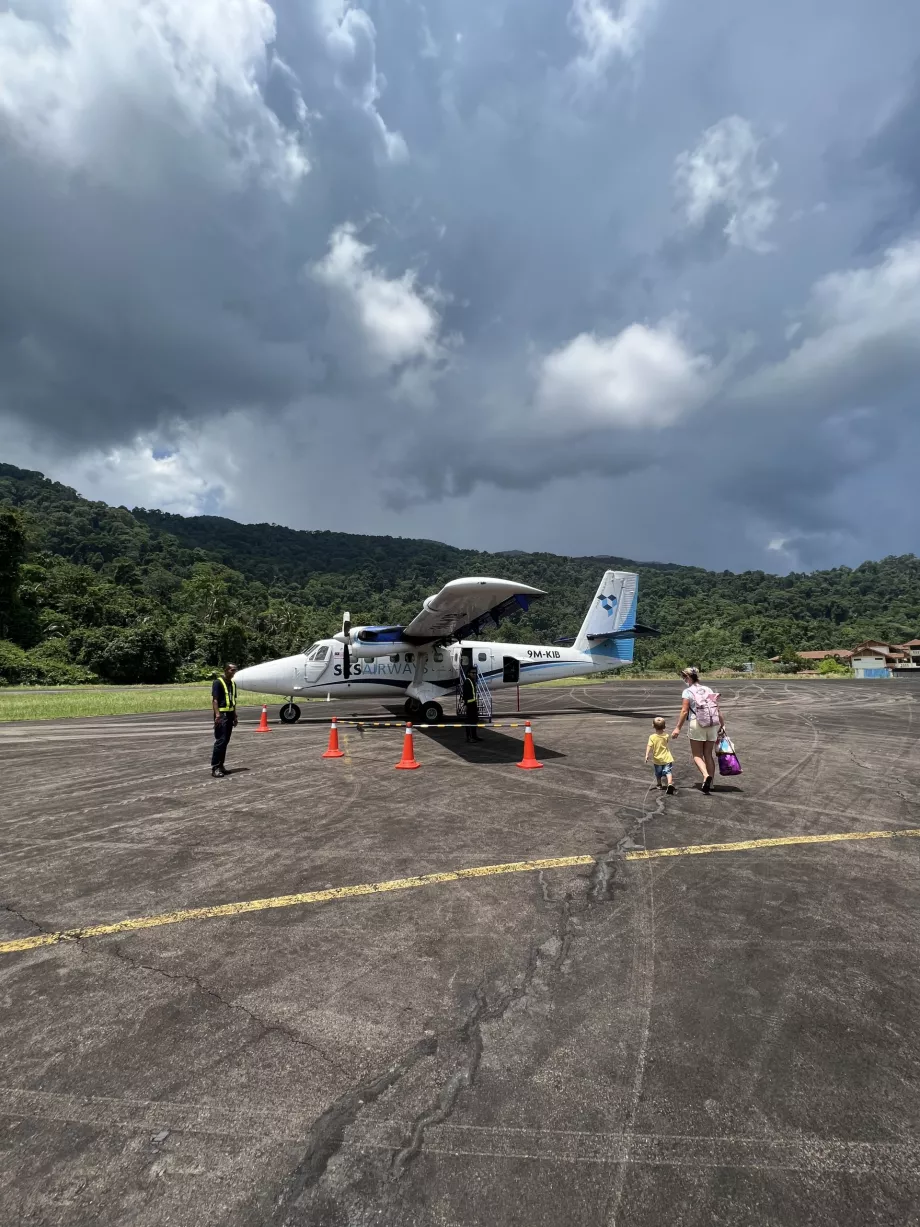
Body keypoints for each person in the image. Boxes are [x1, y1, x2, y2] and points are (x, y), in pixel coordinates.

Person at [672, 666, 723, 794]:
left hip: (697, 723)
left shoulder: (687, 692)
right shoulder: (708, 689)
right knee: (708, 754)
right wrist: (722, 724)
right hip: (712, 724)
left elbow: (684, 711)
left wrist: (678, 728)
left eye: (684, 677)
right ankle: (711, 784)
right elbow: (717, 708)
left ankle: (706, 776)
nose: (683, 679)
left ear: (688, 677)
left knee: (697, 755)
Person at [211, 663, 238, 778]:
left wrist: (235, 715)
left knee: (225, 741)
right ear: (226, 670)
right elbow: (215, 700)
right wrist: (217, 715)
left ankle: (221, 765)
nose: (234, 672)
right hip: (222, 715)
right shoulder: (218, 682)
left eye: (235, 670)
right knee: (220, 741)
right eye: (232, 670)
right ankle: (215, 767)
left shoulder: (233, 684)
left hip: (230, 715)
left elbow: (233, 701)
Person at [645, 717, 676, 794]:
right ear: (664, 726)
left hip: (657, 759)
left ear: (653, 726)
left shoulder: (652, 737)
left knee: (658, 773)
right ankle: (669, 784)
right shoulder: (666, 735)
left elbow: (649, 746)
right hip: (667, 758)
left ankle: (659, 784)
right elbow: (667, 741)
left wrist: (647, 755)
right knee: (668, 772)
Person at [463, 665, 482, 742]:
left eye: (475, 673)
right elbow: (465, 694)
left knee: (474, 720)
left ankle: (474, 736)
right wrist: (466, 704)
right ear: (468, 673)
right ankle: (469, 738)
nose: (474, 674)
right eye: (472, 673)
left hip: (473, 704)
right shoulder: (467, 681)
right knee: (469, 721)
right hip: (469, 705)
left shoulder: (472, 681)